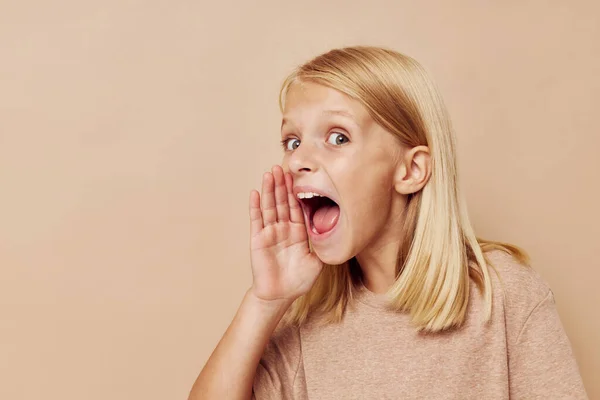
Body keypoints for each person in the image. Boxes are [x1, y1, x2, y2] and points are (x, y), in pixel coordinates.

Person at [188, 46, 588, 399]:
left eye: (338, 137)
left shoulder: (503, 295)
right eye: (292, 142)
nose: (297, 160)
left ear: (411, 170)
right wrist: (265, 303)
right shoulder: (305, 324)